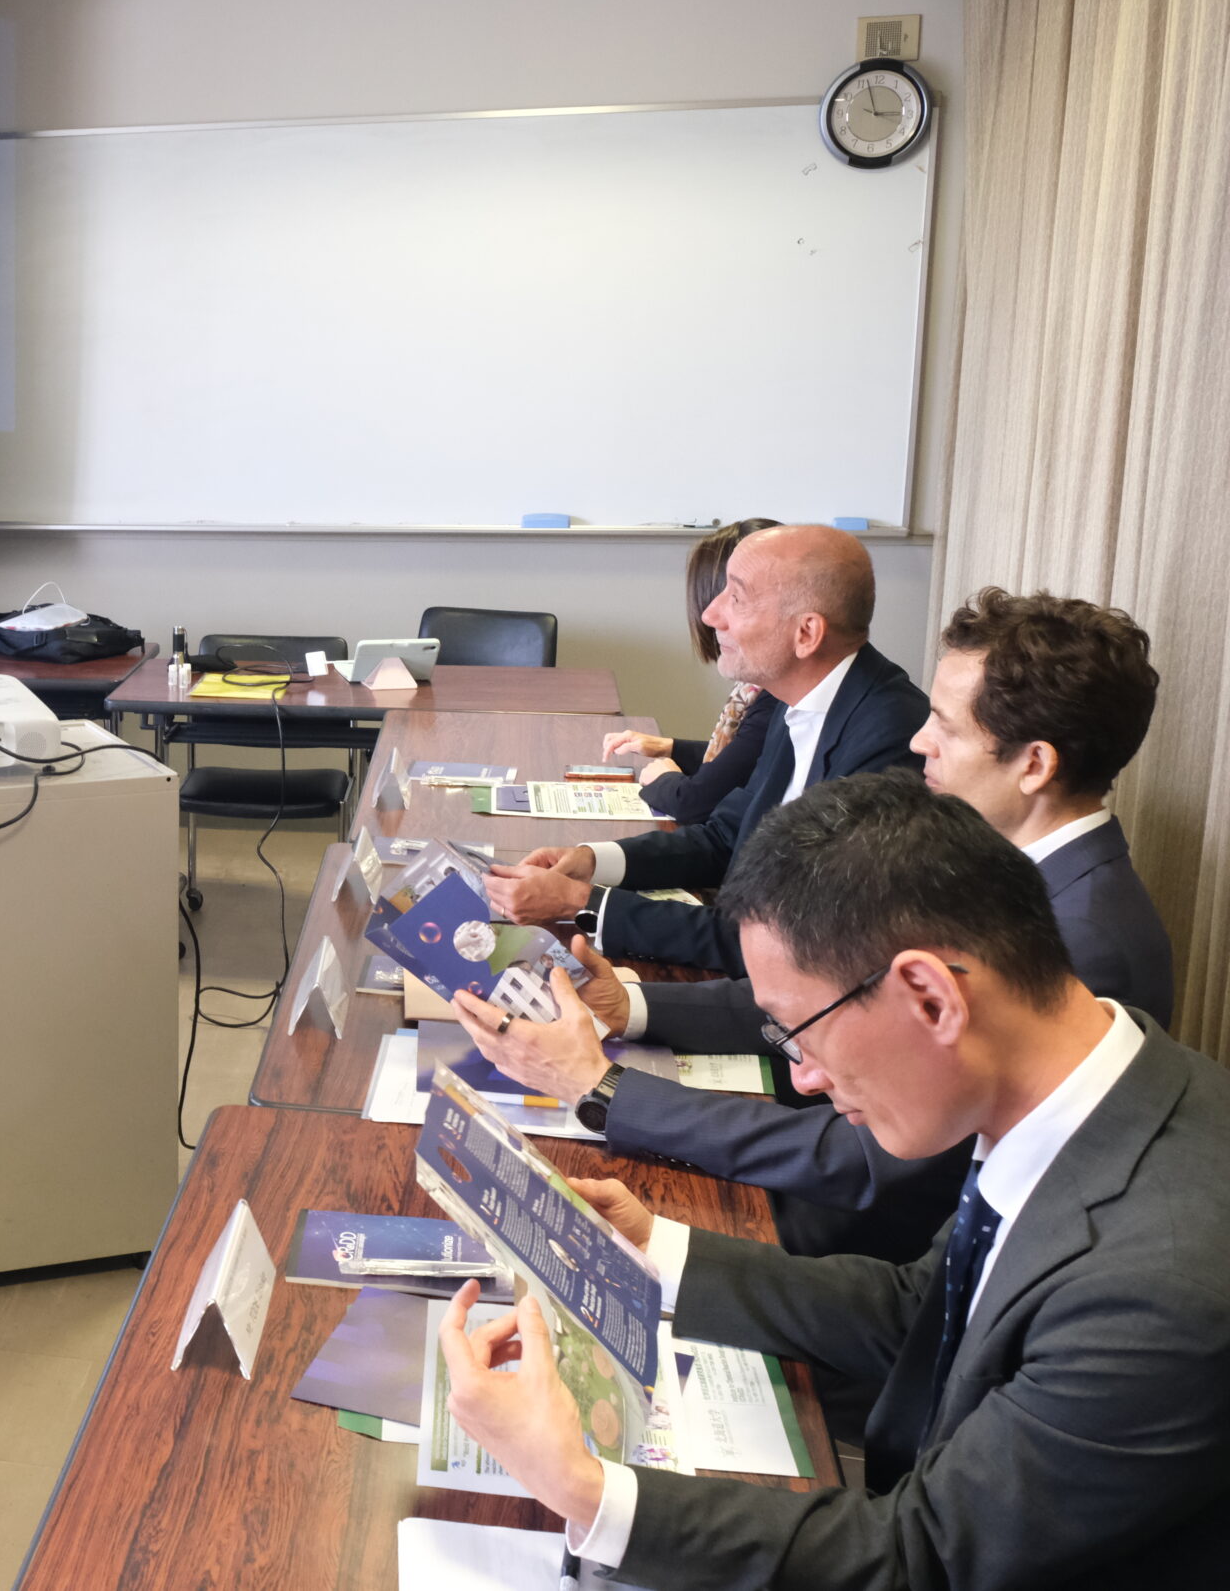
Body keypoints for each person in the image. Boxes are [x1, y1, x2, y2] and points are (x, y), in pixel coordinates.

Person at [437, 773, 1230, 1590]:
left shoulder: (1157, 1288)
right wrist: (655, 1246)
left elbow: (926, 1557)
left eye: (799, 1031)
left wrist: (584, 1489)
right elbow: (921, 1310)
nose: (803, 1076)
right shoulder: (1085, 1090)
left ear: (931, 997)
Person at [449, 589, 1173, 1264]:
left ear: (1035, 765)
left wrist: (605, 1087)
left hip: (848, 1243)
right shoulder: (1002, 861)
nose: (919, 741)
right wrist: (631, 1006)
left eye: (946, 728)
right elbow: (830, 1000)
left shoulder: (1090, 944)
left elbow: (869, 1164)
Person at [485, 524, 927, 973]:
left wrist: (583, 902)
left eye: (736, 597)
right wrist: (591, 861)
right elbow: (726, 838)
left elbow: (788, 942)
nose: (711, 614)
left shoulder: (888, 737)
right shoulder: (797, 694)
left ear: (806, 633)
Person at [601, 518, 782, 823]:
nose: (710, 616)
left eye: (734, 599)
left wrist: (664, 778)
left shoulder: (777, 695)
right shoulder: (755, 688)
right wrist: (669, 747)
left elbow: (694, 802)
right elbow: (742, 760)